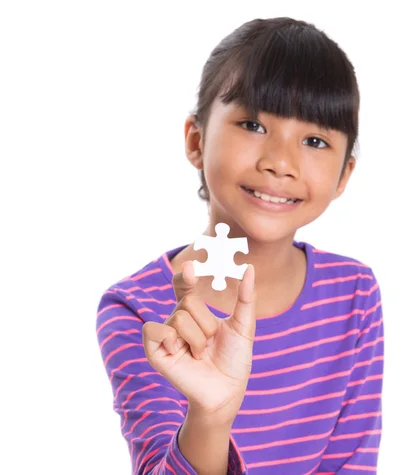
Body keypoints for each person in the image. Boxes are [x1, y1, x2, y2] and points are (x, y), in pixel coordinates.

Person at [96, 16, 384, 475]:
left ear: (344, 175)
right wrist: (210, 415)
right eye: (252, 124)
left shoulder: (355, 294)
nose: (279, 162)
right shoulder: (137, 309)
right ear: (196, 140)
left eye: (314, 140)